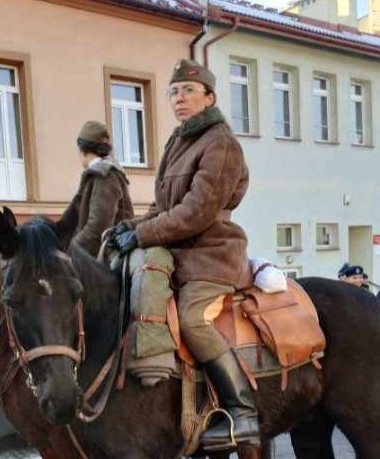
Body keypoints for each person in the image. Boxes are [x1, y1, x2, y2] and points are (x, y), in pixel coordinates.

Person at [109, 59, 258, 449]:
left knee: (192, 319)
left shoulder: (221, 143)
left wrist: (142, 235)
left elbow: (197, 211)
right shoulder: (178, 141)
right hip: (177, 255)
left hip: (212, 257)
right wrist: (130, 227)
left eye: (188, 91)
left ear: (209, 97)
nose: (179, 98)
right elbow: (163, 207)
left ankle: (242, 412)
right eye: (174, 92)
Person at [67, 121, 134, 257]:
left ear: (82, 149)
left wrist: (70, 252)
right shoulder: (100, 173)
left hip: (109, 256)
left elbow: (98, 228)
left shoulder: (104, 175)